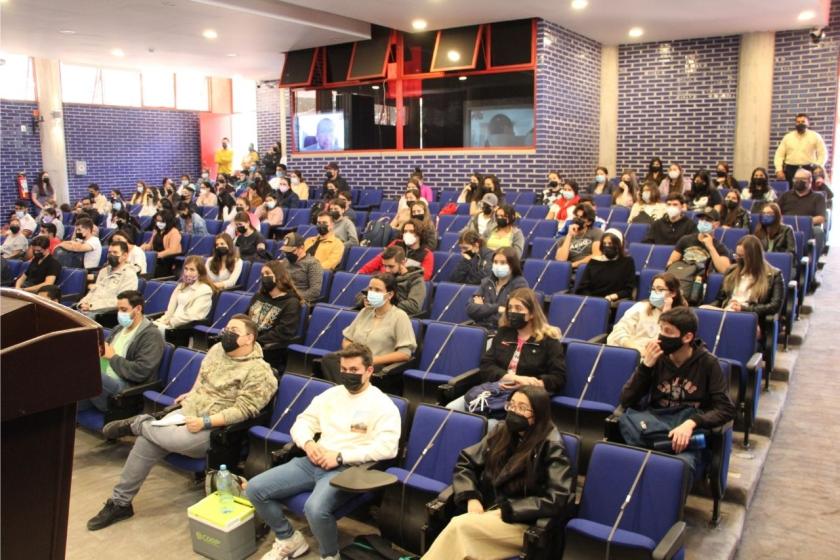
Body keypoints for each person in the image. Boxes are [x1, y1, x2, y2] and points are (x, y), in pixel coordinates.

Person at [88, 315, 277, 531]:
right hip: (186, 412)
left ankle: (139, 423)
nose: (226, 333)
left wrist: (204, 422)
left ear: (248, 338)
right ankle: (120, 502)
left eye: (233, 330)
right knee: (147, 441)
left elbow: (244, 410)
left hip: (215, 428)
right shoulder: (217, 350)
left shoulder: (260, 372)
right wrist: (191, 393)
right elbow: (203, 377)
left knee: (151, 433)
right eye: (225, 328)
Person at [245, 343, 400, 560]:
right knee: (254, 488)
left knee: (315, 509)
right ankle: (288, 538)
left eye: (354, 370)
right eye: (344, 369)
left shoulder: (382, 405)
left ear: (369, 371)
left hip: (346, 469)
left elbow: (388, 447)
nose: (347, 375)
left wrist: (340, 457)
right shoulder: (331, 395)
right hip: (312, 460)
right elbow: (302, 423)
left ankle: (330, 555)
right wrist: (308, 443)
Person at [425, 386, 574, 560]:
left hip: (522, 523)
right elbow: (466, 462)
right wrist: (471, 497)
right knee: (459, 535)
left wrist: (509, 510)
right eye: (512, 405)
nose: (514, 411)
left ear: (538, 414)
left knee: (460, 527)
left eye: (522, 408)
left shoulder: (551, 445)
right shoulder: (502, 431)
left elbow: (558, 497)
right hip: (487, 512)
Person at [618, 307, 736, 477]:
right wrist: (645, 367)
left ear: (687, 337)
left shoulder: (708, 363)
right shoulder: (656, 358)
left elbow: (725, 409)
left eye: (668, 332)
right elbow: (626, 399)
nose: (661, 337)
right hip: (655, 425)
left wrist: (692, 423)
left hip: (688, 433)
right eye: (661, 329)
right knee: (628, 460)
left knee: (680, 467)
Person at [447, 288, 566, 412]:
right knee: (450, 409)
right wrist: (509, 377)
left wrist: (531, 383)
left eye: (518, 309)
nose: (513, 312)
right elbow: (486, 365)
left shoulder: (548, 340)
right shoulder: (504, 333)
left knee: (492, 425)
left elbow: (558, 378)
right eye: (510, 308)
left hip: (524, 398)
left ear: (532, 313)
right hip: (496, 389)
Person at [78, 290, 165, 412]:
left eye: (124, 310)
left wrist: (112, 357)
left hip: (125, 391)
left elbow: (141, 371)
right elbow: (105, 352)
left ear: (138, 309)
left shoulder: (151, 335)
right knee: (66, 397)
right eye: (118, 310)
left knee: (88, 373)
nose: (119, 313)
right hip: (104, 381)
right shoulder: (118, 329)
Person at [706, 235, 783, 325]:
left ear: (753, 258)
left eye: (741, 256)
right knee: (703, 309)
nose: (737, 259)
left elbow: (774, 306)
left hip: (750, 317)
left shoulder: (774, 275)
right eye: (736, 255)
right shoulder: (731, 271)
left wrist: (743, 309)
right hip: (727, 311)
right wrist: (708, 310)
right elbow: (720, 299)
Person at [607, 272, 688, 354]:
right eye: (653, 289)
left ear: (673, 293)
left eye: (660, 289)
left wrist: (666, 315)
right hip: (631, 352)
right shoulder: (640, 307)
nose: (655, 293)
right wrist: (635, 348)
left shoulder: (681, 317)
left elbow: (671, 346)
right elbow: (618, 331)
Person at [248, 260, 302, 371]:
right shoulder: (259, 296)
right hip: (249, 340)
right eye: (262, 274)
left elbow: (284, 331)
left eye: (267, 274)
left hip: (269, 347)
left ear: (279, 276)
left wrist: (255, 340)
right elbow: (246, 318)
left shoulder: (291, 302)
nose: (264, 277)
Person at [153, 256, 215, 343]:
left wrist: (171, 322)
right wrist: (164, 320)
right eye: (186, 269)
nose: (187, 273)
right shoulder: (181, 286)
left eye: (192, 270)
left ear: (200, 272)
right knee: (149, 328)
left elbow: (193, 315)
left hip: (183, 326)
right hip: (170, 323)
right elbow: (170, 309)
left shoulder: (205, 290)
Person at [468, 247, 529, 331]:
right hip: (481, 329)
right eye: (495, 262)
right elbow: (470, 309)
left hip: (505, 331)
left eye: (503, 262)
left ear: (512, 265)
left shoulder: (520, 284)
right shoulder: (486, 282)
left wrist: (483, 308)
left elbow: (513, 316)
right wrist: (497, 308)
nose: (498, 265)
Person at [358, 246, 426, 316]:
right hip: (378, 314)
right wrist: (365, 300)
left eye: (391, 266)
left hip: (399, 317)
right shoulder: (384, 277)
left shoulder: (416, 279)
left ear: (403, 263)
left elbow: (414, 306)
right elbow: (361, 294)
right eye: (384, 266)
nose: (387, 270)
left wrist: (385, 302)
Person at [78, 241, 139, 316]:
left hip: (107, 313)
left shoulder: (129, 275)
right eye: (109, 253)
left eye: (115, 252)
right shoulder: (103, 271)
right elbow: (93, 292)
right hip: (89, 309)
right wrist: (82, 303)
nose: (111, 255)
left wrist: (91, 306)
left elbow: (121, 301)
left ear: (125, 256)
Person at [575, 229, 636, 302]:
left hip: (615, 302)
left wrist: (612, 297)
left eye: (610, 244)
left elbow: (628, 289)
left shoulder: (627, 262)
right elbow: (582, 288)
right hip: (592, 301)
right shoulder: (594, 262)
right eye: (604, 244)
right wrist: (593, 300)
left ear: (619, 244)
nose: (607, 246)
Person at [778, 168, 827, 258]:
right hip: (786, 226)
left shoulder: (818, 197)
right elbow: (775, 212)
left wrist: (803, 222)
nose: (798, 181)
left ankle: (812, 262)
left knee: (818, 232)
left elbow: (821, 217)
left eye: (802, 179)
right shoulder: (785, 195)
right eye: (796, 179)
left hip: (808, 227)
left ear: (810, 181)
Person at [361, 220, 433, 281]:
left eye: (411, 231)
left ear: (420, 234)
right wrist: (361, 273)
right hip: (384, 279)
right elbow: (378, 259)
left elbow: (425, 277)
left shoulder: (426, 254)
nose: (407, 234)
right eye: (405, 231)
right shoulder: (396, 243)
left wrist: (405, 274)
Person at [773, 113, 827, 186]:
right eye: (798, 122)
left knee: (808, 193)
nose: (800, 124)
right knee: (791, 193)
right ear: (795, 124)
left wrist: (817, 167)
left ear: (808, 123)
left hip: (809, 169)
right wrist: (779, 170)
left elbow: (823, 154)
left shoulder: (815, 136)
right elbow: (779, 155)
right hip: (790, 170)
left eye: (803, 121)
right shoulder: (788, 137)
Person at [279, 232, 323, 304]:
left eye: (292, 251)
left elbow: (315, 291)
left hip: (298, 301)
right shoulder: (285, 261)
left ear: (301, 247)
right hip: (283, 297)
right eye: (286, 251)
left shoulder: (312, 263)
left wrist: (293, 296)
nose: (287, 254)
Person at [141, 210, 182, 278]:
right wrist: (142, 248)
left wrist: (156, 255)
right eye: (157, 221)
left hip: (166, 261)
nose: (158, 223)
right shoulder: (156, 231)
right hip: (155, 259)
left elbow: (173, 250)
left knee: (146, 272)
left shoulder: (174, 232)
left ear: (167, 221)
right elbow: (150, 246)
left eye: (161, 221)